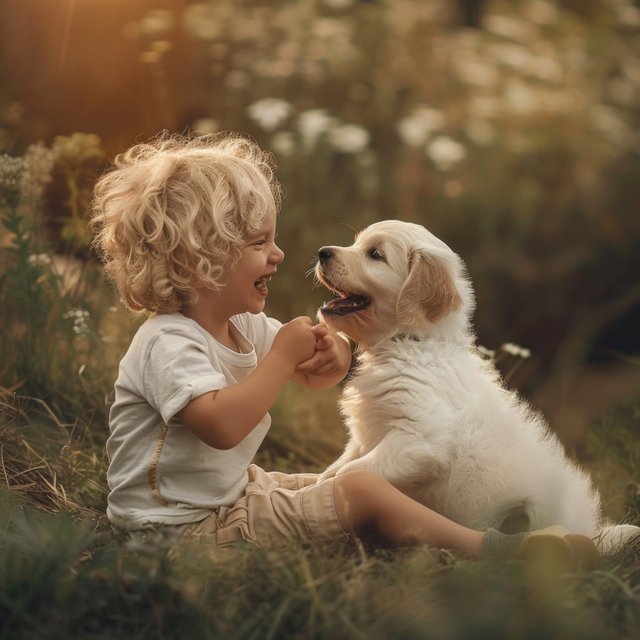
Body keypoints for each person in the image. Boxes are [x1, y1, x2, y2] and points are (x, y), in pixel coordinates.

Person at [90, 132, 597, 565]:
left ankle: (408, 533)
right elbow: (221, 426)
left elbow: (316, 373)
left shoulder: (242, 326)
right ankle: (497, 554)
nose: (280, 254)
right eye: (259, 243)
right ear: (202, 260)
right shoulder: (166, 342)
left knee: (317, 484)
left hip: (224, 502)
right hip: (175, 536)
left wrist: (328, 356)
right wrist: (284, 356)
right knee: (355, 491)